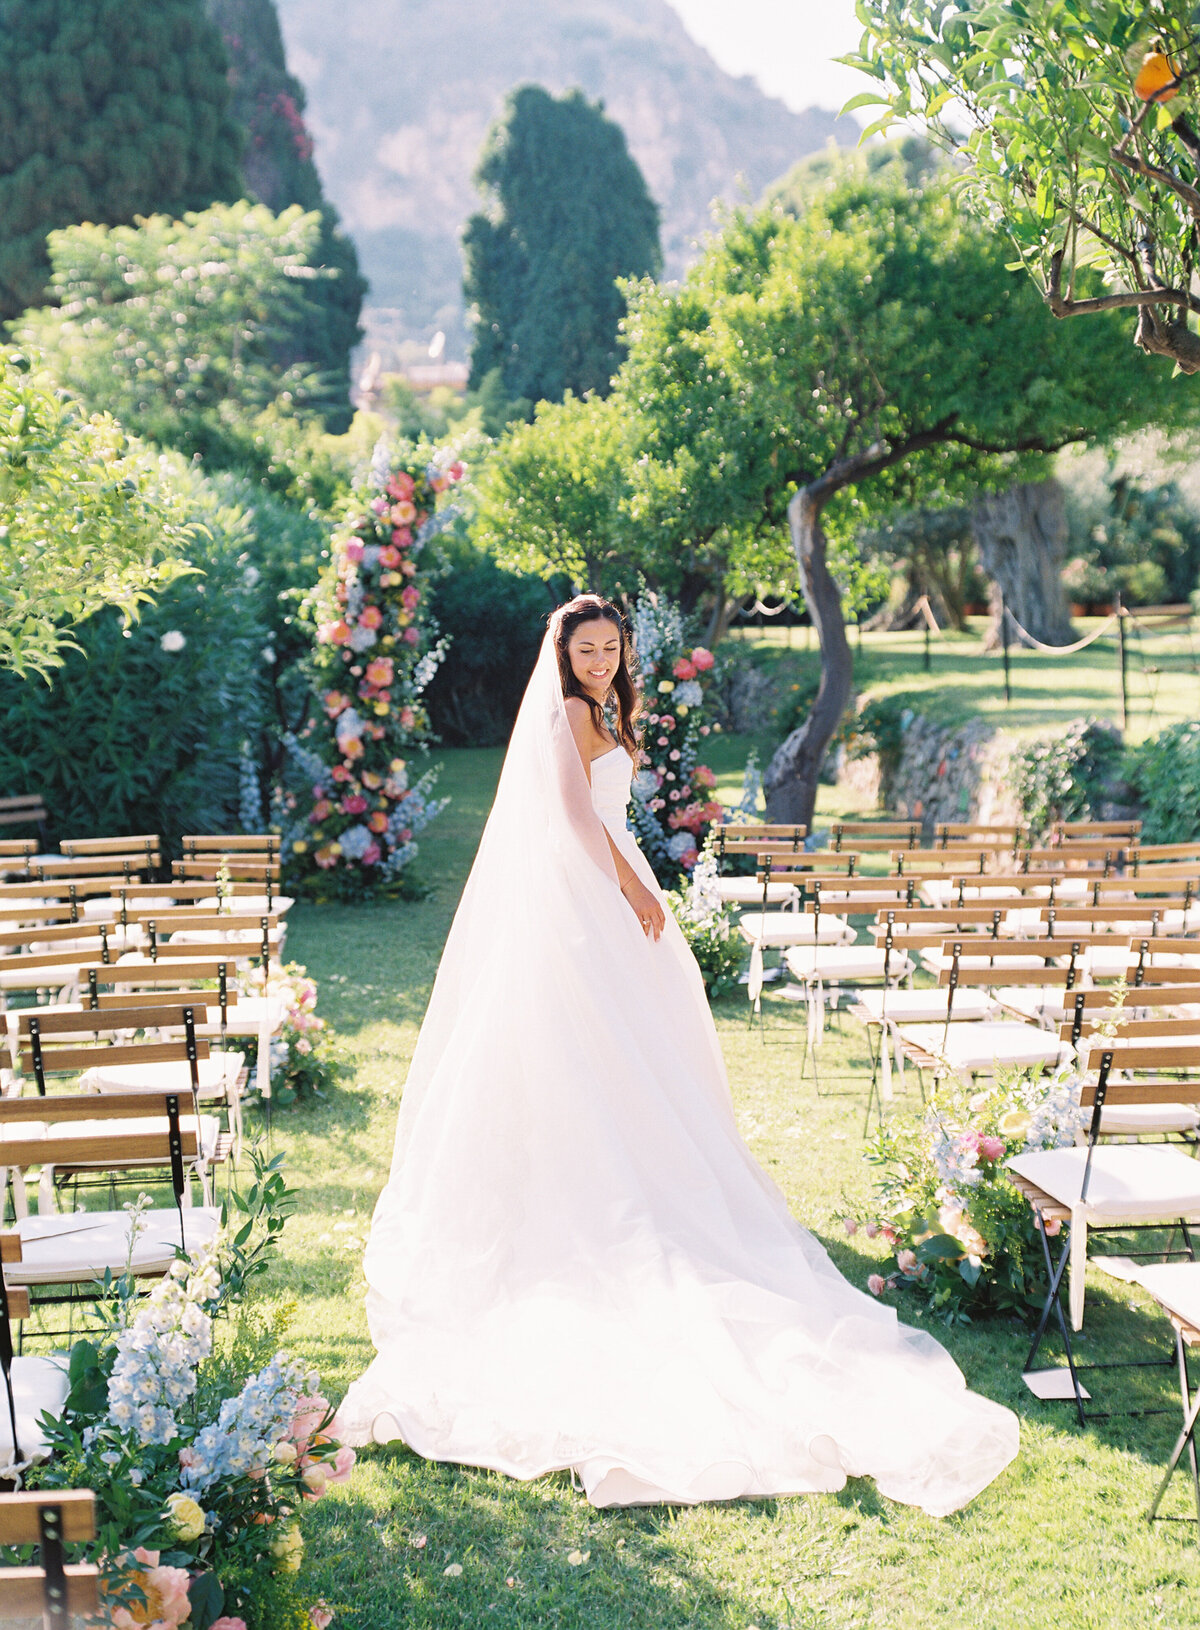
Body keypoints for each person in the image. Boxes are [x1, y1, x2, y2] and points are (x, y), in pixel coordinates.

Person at [334, 594, 1019, 1514]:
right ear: (562, 654)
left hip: (605, 886)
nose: (600, 659)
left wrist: (634, 882)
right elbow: (578, 819)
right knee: (590, 1049)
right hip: (587, 895)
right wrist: (631, 890)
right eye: (586, 647)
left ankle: (636, 1168)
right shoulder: (572, 714)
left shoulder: (605, 707)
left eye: (611, 646)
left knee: (632, 1057)